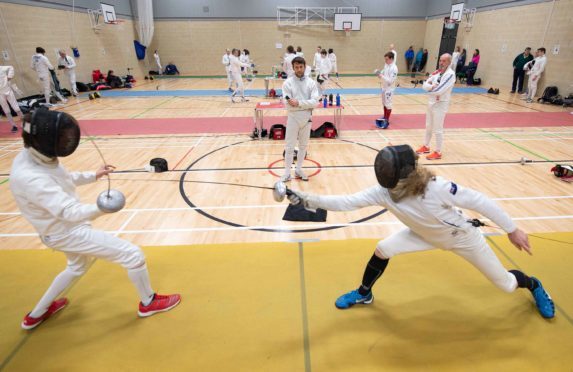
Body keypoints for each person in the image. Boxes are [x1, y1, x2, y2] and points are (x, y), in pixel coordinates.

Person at [285, 144, 555, 320]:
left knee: (506, 285)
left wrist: (512, 229)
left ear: (402, 172)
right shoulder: (383, 192)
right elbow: (344, 202)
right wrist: (304, 199)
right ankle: (364, 292)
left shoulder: (435, 187)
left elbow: (479, 201)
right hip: (422, 235)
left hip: (462, 239)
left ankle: (535, 285)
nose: (383, 173)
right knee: (384, 248)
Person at [10, 109, 181, 330]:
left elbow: (63, 179)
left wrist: (93, 176)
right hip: (65, 231)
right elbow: (69, 212)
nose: (68, 140)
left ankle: (35, 315)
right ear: (45, 139)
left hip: (60, 228)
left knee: (76, 268)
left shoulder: (36, 156)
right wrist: (102, 207)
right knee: (132, 254)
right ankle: (148, 302)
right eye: (62, 137)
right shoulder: (30, 177)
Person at [281, 56, 320, 182]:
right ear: (293, 68)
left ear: (304, 66)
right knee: (289, 147)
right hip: (293, 118)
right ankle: (287, 173)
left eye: (301, 67)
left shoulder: (311, 83)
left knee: (303, 146)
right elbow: (287, 104)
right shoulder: (287, 83)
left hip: (307, 118)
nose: (299, 69)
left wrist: (298, 103)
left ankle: (298, 169)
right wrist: (305, 105)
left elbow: (315, 102)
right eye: (296, 67)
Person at [416, 53, 456, 160]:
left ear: (449, 62)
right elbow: (424, 85)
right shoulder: (436, 72)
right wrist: (431, 87)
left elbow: (440, 90)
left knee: (438, 128)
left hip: (441, 104)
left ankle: (438, 151)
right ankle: (426, 146)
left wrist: (430, 89)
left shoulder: (450, 75)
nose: (441, 63)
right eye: (440, 60)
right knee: (428, 125)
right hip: (431, 102)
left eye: (444, 61)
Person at [376, 52, 398, 129]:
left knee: (388, 104)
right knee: (384, 103)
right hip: (384, 87)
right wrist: (379, 73)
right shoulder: (386, 65)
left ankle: (387, 119)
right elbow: (384, 71)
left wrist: (382, 76)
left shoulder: (394, 68)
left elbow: (390, 81)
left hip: (390, 89)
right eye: (385, 59)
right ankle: (385, 116)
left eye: (387, 59)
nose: (385, 61)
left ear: (391, 59)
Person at [0, 65, 23, 133]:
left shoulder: (2, 68)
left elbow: (11, 67)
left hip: (8, 91)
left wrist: (9, 76)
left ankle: (24, 122)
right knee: (6, 110)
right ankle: (14, 126)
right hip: (0, 94)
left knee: (17, 108)